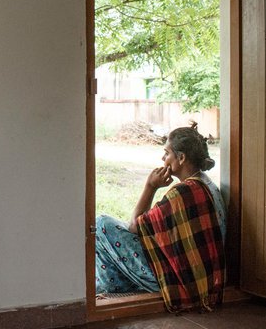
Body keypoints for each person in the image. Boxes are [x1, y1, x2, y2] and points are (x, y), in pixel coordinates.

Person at [94, 122, 226, 312]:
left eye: (166, 153)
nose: (163, 158)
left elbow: (134, 226)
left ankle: (114, 288)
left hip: (180, 279)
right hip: (207, 276)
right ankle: (115, 286)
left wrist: (150, 186)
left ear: (181, 158)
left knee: (102, 225)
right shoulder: (206, 183)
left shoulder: (182, 192)